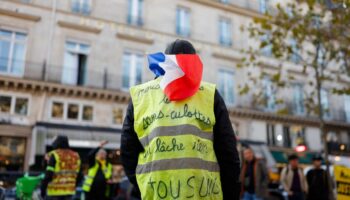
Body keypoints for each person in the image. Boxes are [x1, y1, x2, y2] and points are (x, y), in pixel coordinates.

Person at [121, 39, 241, 200]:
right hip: (204, 193)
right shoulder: (209, 94)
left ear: (167, 61)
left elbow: (128, 149)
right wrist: (230, 191)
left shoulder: (140, 96)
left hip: (155, 193)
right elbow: (227, 150)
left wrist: (141, 184)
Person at [40, 135, 81, 200]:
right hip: (69, 193)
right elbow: (79, 175)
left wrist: (42, 190)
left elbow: (48, 174)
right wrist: (72, 186)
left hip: (54, 192)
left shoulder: (54, 154)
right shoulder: (76, 156)